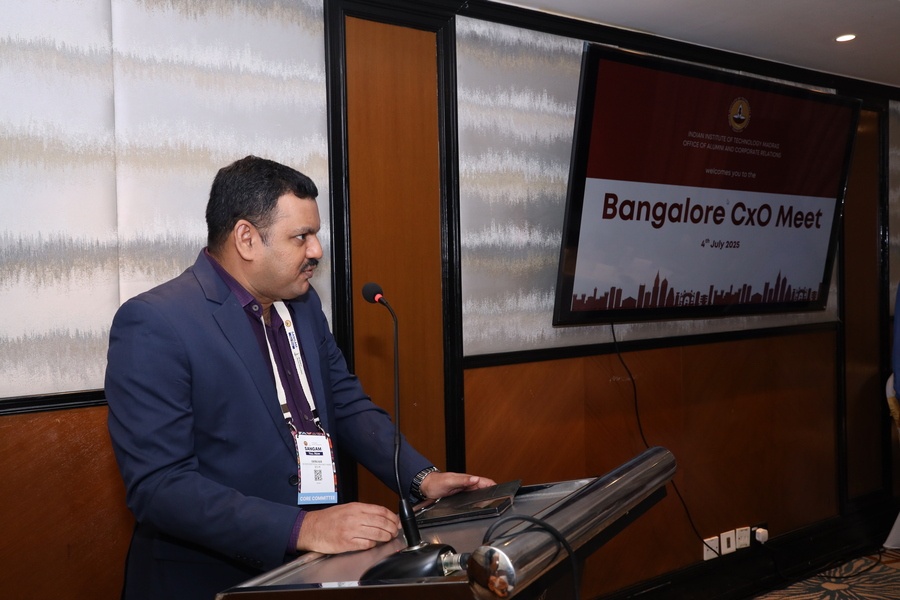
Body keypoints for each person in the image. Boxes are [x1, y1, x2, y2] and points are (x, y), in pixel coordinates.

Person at [105, 155, 495, 599]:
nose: (317, 251)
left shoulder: (303, 305)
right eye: (301, 237)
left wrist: (420, 477)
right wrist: (302, 527)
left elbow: (345, 403)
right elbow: (160, 487)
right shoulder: (156, 321)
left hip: (313, 568)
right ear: (246, 239)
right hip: (210, 578)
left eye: (316, 235)